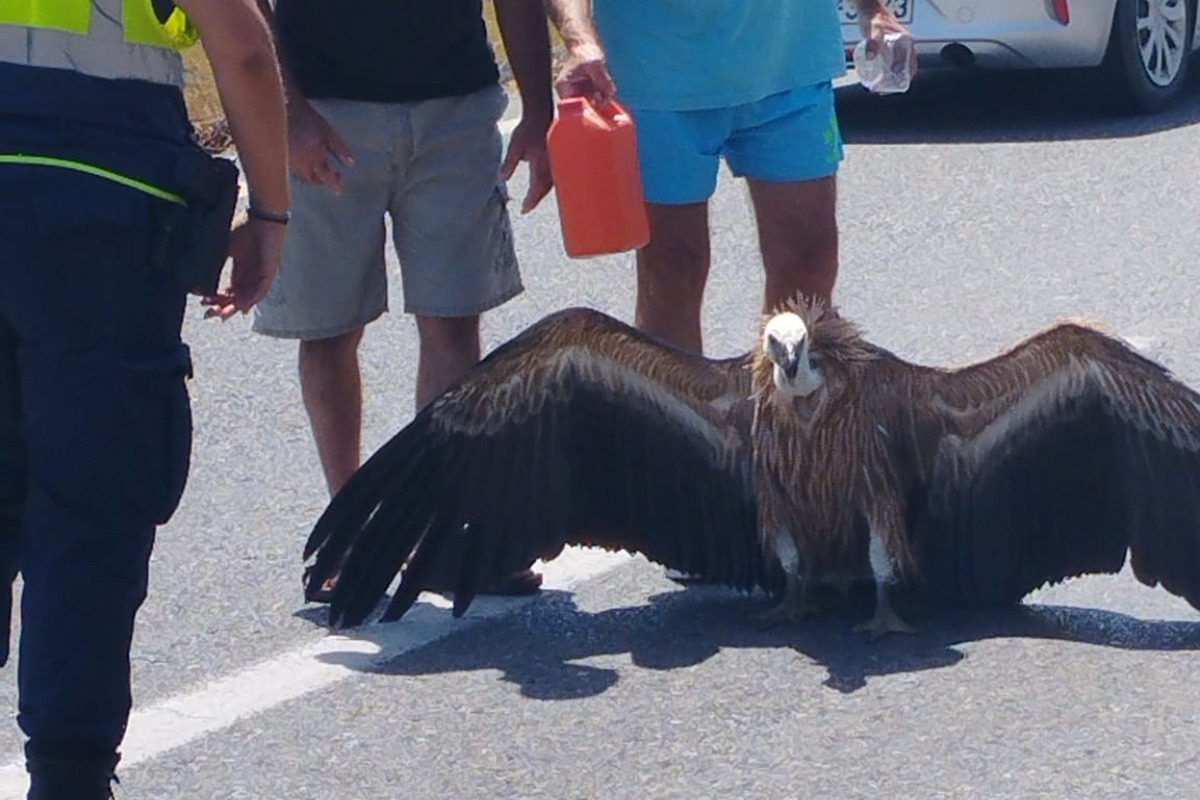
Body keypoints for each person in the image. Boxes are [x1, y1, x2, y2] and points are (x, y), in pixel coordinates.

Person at [0, 1, 289, 796]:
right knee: (92, 506)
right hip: (98, 202)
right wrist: (271, 209)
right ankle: (68, 775)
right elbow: (245, 53)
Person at [251, 0, 554, 597]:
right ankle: (348, 533)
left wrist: (538, 106)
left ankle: (439, 532)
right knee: (331, 330)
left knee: (453, 326)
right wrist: (291, 111)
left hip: (456, 106)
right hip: (327, 107)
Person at [542, 0, 916, 354]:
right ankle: (680, 420)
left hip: (789, 60)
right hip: (655, 72)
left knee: (809, 262)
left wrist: (873, 10)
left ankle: (786, 417)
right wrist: (580, 40)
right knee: (674, 271)